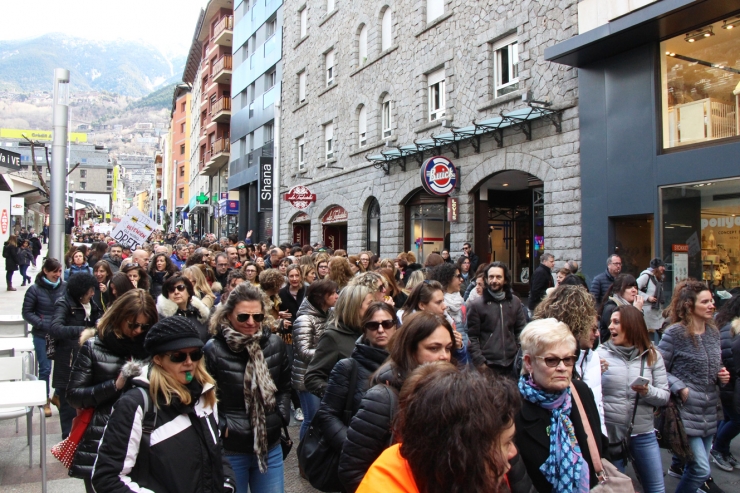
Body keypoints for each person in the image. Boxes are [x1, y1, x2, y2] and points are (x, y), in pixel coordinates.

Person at [91, 316, 235, 493]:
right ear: (158, 359)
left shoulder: (205, 393)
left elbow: (215, 448)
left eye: (195, 354)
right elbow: (106, 478)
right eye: (178, 356)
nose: (189, 362)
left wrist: (227, 483)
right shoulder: (135, 404)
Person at [356, 363, 522, 493]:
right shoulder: (388, 483)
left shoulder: (478, 472)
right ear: (463, 450)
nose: (513, 452)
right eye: (507, 442)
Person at [338, 311, 455, 492]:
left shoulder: (451, 392)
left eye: (448, 348)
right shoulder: (382, 399)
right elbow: (352, 470)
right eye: (434, 348)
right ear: (411, 350)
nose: (444, 356)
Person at [204, 283, 291, 492]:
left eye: (258, 317)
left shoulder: (275, 344)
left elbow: (285, 386)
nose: (251, 322)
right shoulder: (213, 349)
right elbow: (205, 397)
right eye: (243, 317)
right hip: (231, 448)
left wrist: (280, 415)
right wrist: (224, 426)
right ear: (228, 315)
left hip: (269, 443)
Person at [66, 289, 157, 491]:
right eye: (132, 325)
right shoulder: (93, 347)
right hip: (103, 438)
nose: (138, 331)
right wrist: (115, 385)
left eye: (145, 326)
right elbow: (74, 396)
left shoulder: (153, 349)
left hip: (144, 439)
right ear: (119, 317)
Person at [515, 318, 608, 492]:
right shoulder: (511, 407)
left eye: (568, 360)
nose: (562, 367)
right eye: (551, 360)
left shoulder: (580, 392)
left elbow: (600, 447)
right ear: (529, 362)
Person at [659, 280, 730, 493]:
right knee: (700, 468)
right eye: (705, 301)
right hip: (686, 409)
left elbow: (715, 364)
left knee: (697, 467)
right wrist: (679, 387)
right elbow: (658, 368)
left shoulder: (713, 332)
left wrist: (721, 374)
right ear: (690, 305)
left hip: (710, 409)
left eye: (712, 301)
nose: (712, 305)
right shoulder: (675, 334)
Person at [599, 305, 670, 493]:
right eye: (610, 322)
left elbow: (664, 396)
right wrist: (594, 374)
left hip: (643, 433)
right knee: (616, 489)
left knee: (656, 489)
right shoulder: (600, 354)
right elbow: (590, 395)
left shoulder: (652, 356)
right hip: (612, 435)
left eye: (616, 322)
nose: (610, 327)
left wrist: (647, 391)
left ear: (631, 325)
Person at [313, 302, 397, 453]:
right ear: (364, 329)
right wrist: (352, 449)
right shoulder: (348, 367)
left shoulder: (406, 366)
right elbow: (327, 414)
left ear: (395, 326)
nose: (380, 330)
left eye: (387, 324)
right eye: (373, 325)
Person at [534, 284, 606, 432]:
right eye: (592, 328)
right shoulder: (536, 350)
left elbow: (597, 407)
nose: (597, 334)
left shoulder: (589, 357)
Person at [50, 273, 103, 439]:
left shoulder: (91, 304)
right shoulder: (64, 304)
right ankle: (68, 438)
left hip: (87, 359)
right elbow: (55, 329)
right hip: (68, 359)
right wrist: (84, 331)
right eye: (90, 290)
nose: (93, 293)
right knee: (67, 403)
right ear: (81, 291)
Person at [304, 283, 377, 398]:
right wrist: (340, 397)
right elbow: (312, 378)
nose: (375, 307)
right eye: (370, 303)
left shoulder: (371, 332)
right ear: (354, 306)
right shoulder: (333, 337)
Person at [292, 279, 340, 439]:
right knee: (311, 418)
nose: (337, 296)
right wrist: (331, 353)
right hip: (306, 377)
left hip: (324, 375)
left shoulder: (330, 314)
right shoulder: (304, 320)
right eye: (332, 293)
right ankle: (305, 453)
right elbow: (303, 351)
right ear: (321, 297)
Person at [22, 257, 66, 417]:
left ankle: (58, 396)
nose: (57, 275)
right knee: (45, 369)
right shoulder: (34, 289)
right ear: (45, 271)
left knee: (64, 368)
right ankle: (44, 400)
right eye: (54, 271)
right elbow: (27, 312)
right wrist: (41, 323)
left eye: (60, 271)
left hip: (61, 334)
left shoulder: (65, 287)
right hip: (42, 334)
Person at [468, 262, 527, 376]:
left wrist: (518, 353)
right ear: (486, 279)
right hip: (488, 365)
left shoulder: (515, 302)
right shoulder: (477, 305)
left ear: (505, 280)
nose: (494, 280)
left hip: (512, 363)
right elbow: (472, 336)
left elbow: (521, 330)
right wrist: (480, 362)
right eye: (491, 277)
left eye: (498, 277)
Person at [712, 294, 740, 471]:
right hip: (729, 382)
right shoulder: (731, 328)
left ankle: (722, 448)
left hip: (730, 381)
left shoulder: (726, 325)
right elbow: (730, 356)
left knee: (730, 417)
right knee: (737, 419)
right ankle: (718, 448)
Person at [157, 274, 211, 343]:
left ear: (189, 292)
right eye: (171, 289)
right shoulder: (162, 317)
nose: (176, 292)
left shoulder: (200, 315)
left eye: (181, 288)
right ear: (167, 294)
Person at [427, 263, 469, 347]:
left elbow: (466, 329)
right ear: (448, 278)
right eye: (458, 276)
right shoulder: (436, 303)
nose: (461, 280)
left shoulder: (461, 300)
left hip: (464, 348)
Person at [598, 273, 644, 342]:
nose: (634, 290)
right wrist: (636, 312)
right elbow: (625, 333)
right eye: (629, 287)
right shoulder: (611, 308)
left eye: (635, 287)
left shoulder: (632, 306)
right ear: (618, 290)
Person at [637, 258, 666, 342]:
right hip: (647, 312)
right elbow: (634, 288)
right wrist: (647, 297)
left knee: (662, 332)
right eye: (661, 266)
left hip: (657, 311)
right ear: (656, 267)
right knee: (648, 335)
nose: (663, 269)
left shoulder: (658, 279)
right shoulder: (646, 276)